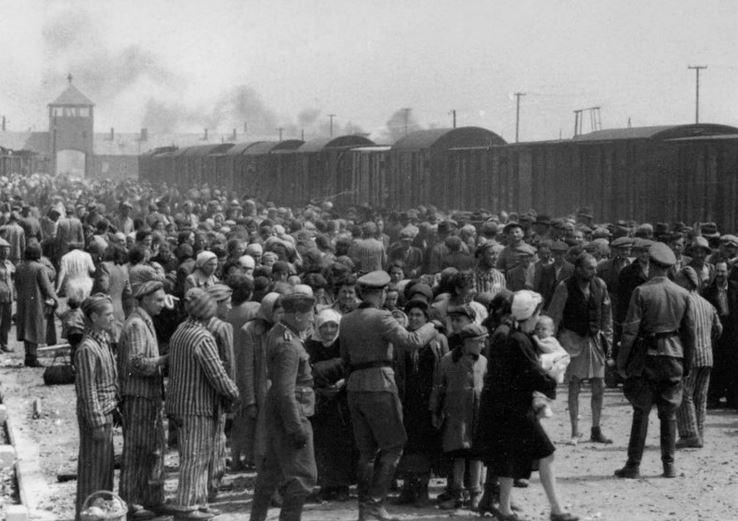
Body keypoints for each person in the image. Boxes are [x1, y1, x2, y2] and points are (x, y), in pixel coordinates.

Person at [339, 270, 438, 521]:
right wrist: (432, 326)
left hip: (355, 386)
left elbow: (345, 359)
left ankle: (366, 510)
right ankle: (375, 505)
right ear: (381, 293)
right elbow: (413, 340)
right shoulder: (382, 317)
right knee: (393, 446)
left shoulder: (347, 319)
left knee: (367, 452)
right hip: (380, 385)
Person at [477, 290, 578, 521]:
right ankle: (556, 509)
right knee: (547, 454)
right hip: (518, 410)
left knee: (508, 457)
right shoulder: (520, 340)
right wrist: (552, 378)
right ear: (531, 313)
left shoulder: (512, 335)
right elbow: (533, 374)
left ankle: (505, 509)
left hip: (506, 407)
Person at [615, 243, 695, 479]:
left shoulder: (641, 292)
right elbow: (689, 333)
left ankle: (633, 465)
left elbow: (629, 333)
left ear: (650, 264)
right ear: (670, 267)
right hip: (674, 357)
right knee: (668, 414)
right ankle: (668, 465)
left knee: (641, 411)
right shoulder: (682, 294)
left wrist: (621, 362)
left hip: (646, 357)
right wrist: (687, 364)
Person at [166, 288, 240, 520]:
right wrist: (234, 392)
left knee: (194, 456)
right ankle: (187, 506)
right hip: (197, 406)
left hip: (179, 403)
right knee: (196, 458)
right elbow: (217, 374)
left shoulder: (180, 331)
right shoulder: (203, 337)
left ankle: (199, 502)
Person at [250, 291, 317, 521]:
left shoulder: (279, 332)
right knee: (303, 476)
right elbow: (286, 391)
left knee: (272, 472)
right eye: (310, 314)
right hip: (293, 413)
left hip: (279, 413)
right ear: (297, 315)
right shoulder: (289, 344)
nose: (312, 319)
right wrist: (296, 427)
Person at [547, 253, 614, 445]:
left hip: (594, 340)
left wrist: (608, 341)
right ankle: (575, 432)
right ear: (578, 269)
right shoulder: (564, 287)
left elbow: (607, 316)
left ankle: (596, 428)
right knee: (574, 386)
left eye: (594, 268)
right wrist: (553, 347)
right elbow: (555, 316)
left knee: (599, 386)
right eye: (589, 268)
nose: (594, 271)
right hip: (572, 340)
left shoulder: (600, 285)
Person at [117, 281, 170, 519]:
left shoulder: (145, 321)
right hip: (138, 396)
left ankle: (152, 498)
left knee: (154, 449)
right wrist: (163, 360)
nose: (162, 304)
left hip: (148, 396)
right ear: (145, 299)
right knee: (137, 451)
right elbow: (136, 363)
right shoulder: (137, 325)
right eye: (158, 300)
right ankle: (131, 502)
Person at [394, 299, 446, 507]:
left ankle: (423, 489)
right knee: (408, 444)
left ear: (427, 319)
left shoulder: (438, 339)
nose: (415, 319)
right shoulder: (403, 341)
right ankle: (408, 488)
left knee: (426, 445)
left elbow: (443, 371)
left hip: (429, 399)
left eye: (419, 315)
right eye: (412, 315)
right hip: (408, 399)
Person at [430, 323, 487, 510]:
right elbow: (438, 387)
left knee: (476, 454)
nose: (483, 345)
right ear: (467, 342)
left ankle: (476, 494)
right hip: (456, 416)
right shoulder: (448, 361)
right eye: (480, 342)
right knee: (458, 454)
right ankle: (457, 493)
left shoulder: (483, 361)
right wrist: (434, 411)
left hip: (477, 416)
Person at [74, 294, 119, 521]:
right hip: (97, 417)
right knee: (93, 472)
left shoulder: (103, 341)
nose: (112, 319)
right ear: (94, 316)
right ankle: (87, 514)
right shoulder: (87, 349)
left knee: (104, 471)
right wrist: (97, 422)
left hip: (107, 412)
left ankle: (100, 513)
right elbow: (87, 389)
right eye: (108, 315)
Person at [305, 309, 355, 502]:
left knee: (343, 442)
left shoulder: (345, 344)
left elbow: (352, 366)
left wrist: (342, 383)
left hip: (342, 400)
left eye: (333, 325)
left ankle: (343, 486)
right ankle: (326, 485)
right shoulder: (311, 345)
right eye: (325, 326)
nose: (329, 330)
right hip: (321, 401)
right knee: (323, 444)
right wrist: (322, 389)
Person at [235, 293, 283, 471]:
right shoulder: (250, 330)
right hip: (261, 390)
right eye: (278, 312)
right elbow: (245, 368)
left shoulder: (286, 330)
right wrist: (249, 401)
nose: (281, 316)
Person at [674, 267, 722, 448]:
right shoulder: (707, 304)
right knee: (701, 397)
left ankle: (688, 434)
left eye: (678, 280)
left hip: (690, 355)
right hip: (707, 355)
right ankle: (699, 433)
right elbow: (719, 329)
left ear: (686, 282)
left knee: (684, 393)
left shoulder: (683, 301)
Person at [205, 284, 235, 501]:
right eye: (227, 302)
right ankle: (215, 481)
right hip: (221, 386)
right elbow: (230, 363)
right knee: (218, 435)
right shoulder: (222, 327)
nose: (230, 307)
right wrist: (232, 391)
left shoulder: (199, 324)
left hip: (203, 388)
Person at [702, 261, 738, 409]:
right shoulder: (707, 292)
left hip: (734, 331)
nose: (720, 274)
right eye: (717, 271)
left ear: (728, 272)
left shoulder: (736, 287)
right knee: (717, 365)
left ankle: (733, 399)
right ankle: (714, 397)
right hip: (717, 332)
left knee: (733, 365)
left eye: (722, 271)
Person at [15, 243, 58, 366]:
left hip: (22, 301)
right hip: (36, 302)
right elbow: (46, 287)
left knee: (26, 328)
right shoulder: (40, 268)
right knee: (33, 328)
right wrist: (55, 299)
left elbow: (17, 284)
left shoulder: (19, 267)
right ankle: (33, 358)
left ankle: (28, 356)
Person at [0, 238, 14, 352]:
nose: (6, 253)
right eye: (3, 250)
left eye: (7, 250)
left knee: (6, 322)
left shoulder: (9, 264)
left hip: (8, 296)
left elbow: (14, 276)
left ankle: (4, 344)